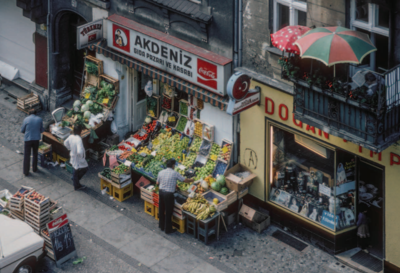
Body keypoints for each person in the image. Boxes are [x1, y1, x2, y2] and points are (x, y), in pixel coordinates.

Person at [157, 159, 194, 234]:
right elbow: (184, 180)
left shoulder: (161, 172)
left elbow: (157, 183)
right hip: (168, 195)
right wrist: (192, 180)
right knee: (168, 211)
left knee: (161, 209)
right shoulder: (175, 173)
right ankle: (168, 230)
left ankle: (161, 226)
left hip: (161, 192)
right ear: (173, 166)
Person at [20, 109, 44, 176]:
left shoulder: (26, 119)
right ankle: (34, 168)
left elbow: (22, 130)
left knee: (26, 155)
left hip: (28, 139)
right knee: (35, 154)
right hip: (36, 139)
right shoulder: (39, 119)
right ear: (36, 113)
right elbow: (42, 130)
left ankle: (26, 171)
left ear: (29, 113)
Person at [64, 126, 88, 191]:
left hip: (73, 155)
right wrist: (81, 157)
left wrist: (69, 148)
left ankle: (75, 180)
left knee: (75, 168)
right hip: (78, 157)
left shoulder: (71, 136)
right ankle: (76, 184)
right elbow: (79, 151)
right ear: (79, 132)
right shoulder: (78, 139)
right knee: (84, 168)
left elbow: (65, 143)